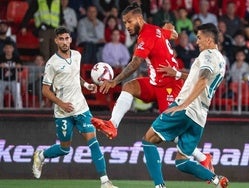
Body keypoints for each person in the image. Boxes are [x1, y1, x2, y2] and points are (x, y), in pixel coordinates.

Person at [91, 2, 214, 173]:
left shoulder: (147, 35)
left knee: (170, 131)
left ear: (139, 19)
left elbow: (135, 63)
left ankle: (203, 157)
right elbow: (173, 33)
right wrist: (170, 32)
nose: (126, 26)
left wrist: (114, 81)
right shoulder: (153, 29)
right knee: (130, 86)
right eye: (124, 22)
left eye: (128, 22)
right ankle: (112, 124)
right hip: (155, 82)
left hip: (170, 85)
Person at [142, 23, 229, 188]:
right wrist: (177, 73)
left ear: (209, 40)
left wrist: (183, 105)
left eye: (199, 38)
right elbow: (198, 76)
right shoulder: (220, 60)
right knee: (181, 162)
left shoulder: (207, 54)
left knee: (148, 140)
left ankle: (159, 186)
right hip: (200, 116)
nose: (197, 42)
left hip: (186, 108)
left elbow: (202, 81)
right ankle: (217, 180)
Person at [32, 26, 117, 188]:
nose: (64, 42)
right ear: (56, 41)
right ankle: (41, 155)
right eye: (61, 39)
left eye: (66, 38)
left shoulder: (77, 55)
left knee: (93, 142)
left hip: (81, 108)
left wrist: (87, 85)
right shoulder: (52, 64)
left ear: (70, 39)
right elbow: (45, 90)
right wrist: (61, 103)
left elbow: (74, 75)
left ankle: (105, 182)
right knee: (65, 149)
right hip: (63, 112)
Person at [0, 40, 23, 109]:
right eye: (6, 48)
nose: (8, 50)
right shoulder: (1, 57)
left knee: (17, 95)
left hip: (14, 80)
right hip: (2, 79)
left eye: (10, 48)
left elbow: (21, 67)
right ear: (4, 49)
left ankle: (19, 110)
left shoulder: (16, 58)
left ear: (13, 49)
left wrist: (19, 66)